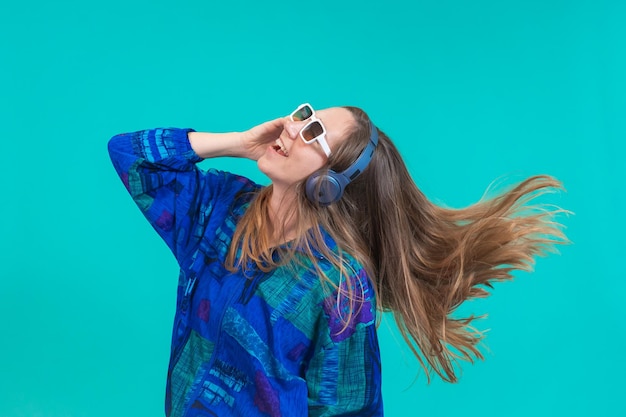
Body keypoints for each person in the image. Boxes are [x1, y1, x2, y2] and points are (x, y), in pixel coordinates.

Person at [108, 103, 567, 417]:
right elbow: (128, 154)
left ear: (329, 183)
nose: (291, 127)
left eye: (312, 133)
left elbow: (350, 408)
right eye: (303, 115)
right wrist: (238, 141)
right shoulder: (219, 208)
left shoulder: (339, 288)